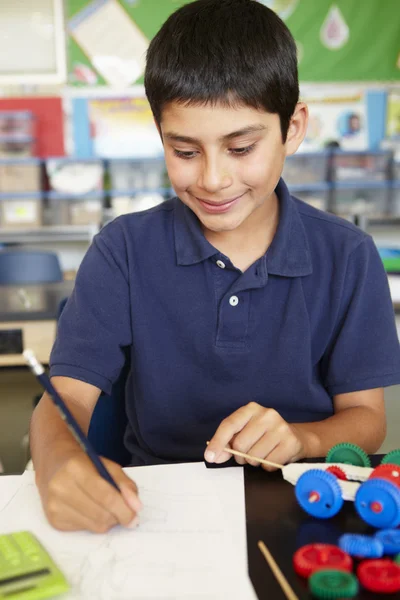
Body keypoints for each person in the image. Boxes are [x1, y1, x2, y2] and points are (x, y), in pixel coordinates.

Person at [30, 0, 400, 534]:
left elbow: (367, 419)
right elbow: (65, 397)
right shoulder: (122, 250)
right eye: (185, 151)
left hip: (301, 501)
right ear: (160, 137)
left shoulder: (349, 256)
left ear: (292, 129)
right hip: (154, 508)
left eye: (241, 147)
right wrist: (57, 462)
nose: (213, 179)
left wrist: (303, 439)